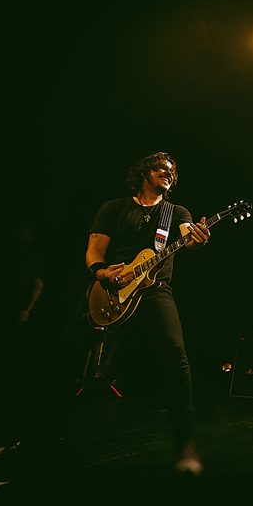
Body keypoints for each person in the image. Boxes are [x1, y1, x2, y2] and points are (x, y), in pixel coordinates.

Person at [53, 152, 210, 475]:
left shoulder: (176, 212)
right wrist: (101, 273)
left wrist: (197, 240)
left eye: (171, 171)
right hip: (110, 289)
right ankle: (31, 435)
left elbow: (186, 238)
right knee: (62, 352)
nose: (167, 173)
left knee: (176, 357)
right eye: (160, 168)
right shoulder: (114, 208)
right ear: (144, 173)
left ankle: (186, 445)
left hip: (154, 292)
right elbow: (95, 249)